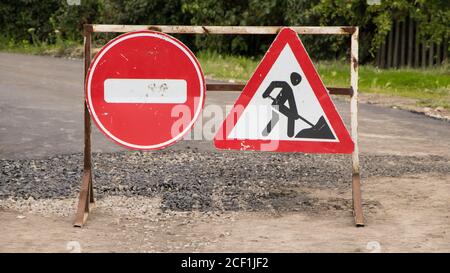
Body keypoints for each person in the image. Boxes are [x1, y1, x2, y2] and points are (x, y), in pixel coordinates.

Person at [262, 72, 303, 137]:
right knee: (276, 118)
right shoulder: (285, 85)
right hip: (277, 104)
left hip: (279, 105)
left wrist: (295, 113)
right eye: (296, 81)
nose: (296, 83)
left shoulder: (290, 89)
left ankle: (290, 135)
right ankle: (265, 133)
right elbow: (273, 84)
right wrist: (265, 93)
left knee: (287, 116)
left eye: (297, 82)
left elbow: (292, 103)